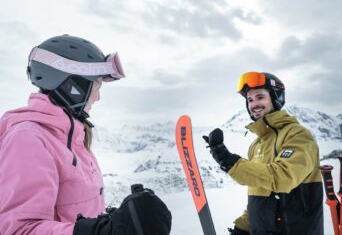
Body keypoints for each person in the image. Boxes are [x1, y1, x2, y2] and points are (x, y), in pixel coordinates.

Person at [0, 35, 172, 235]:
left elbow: (74, 213)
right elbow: (18, 230)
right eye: (97, 85)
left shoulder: (70, 135)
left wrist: (118, 222)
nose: (98, 97)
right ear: (73, 86)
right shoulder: (29, 139)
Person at [203, 71, 324, 234]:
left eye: (260, 97)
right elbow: (259, 190)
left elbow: (282, 178)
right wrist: (243, 227)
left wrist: (228, 160)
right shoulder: (257, 144)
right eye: (250, 100)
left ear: (275, 97)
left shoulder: (298, 135)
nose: (253, 104)